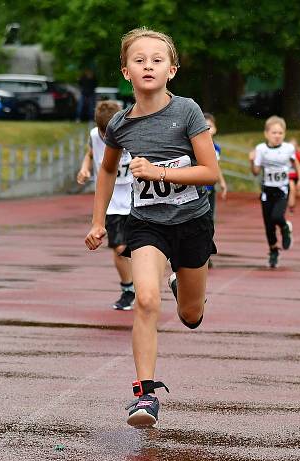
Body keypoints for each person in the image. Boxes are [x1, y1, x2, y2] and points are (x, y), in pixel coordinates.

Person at [84, 28, 220, 428]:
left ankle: (183, 287)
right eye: (139, 60)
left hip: (192, 221)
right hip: (146, 224)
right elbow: (107, 170)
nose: (148, 65)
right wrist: (97, 221)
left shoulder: (188, 112)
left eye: (157, 60)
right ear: (126, 71)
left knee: (191, 315)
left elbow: (210, 172)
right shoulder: (120, 125)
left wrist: (159, 170)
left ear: (171, 70)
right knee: (145, 299)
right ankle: (145, 395)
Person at [76, 100, 135, 310]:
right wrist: (85, 169)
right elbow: (90, 154)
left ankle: (143, 283)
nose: (106, 137)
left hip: (136, 199)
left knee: (142, 247)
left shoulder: (133, 133)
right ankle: (128, 289)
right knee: (119, 248)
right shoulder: (94, 136)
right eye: (103, 132)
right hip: (112, 203)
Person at [249, 116, 300, 268]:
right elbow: (255, 172)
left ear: (284, 134)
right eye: (274, 133)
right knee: (269, 225)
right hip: (267, 192)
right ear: (266, 134)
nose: (277, 136)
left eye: (280, 133)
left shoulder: (288, 148)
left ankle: (285, 227)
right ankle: (273, 251)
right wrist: (251, 161)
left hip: (282, 190)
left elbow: (295, 162)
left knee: (277, 216)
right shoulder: (261, 149)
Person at [203, 112, 228, 267]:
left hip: (210, 190)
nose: (207, 129)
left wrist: (222, 182)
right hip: (196, 190)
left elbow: (215, 167)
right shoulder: (193, 144)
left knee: (209, 221)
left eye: (210, 126)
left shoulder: (216, 148)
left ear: (215, 129)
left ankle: (206, 253)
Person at [286, 137, 300, 213]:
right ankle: (291, 206)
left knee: (299, 194)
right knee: (292, 189)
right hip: (289, 176)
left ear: (296, 147)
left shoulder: (298, 154)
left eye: (294, 146)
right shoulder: (285, 155)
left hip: (297, 176)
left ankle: (291, 202)